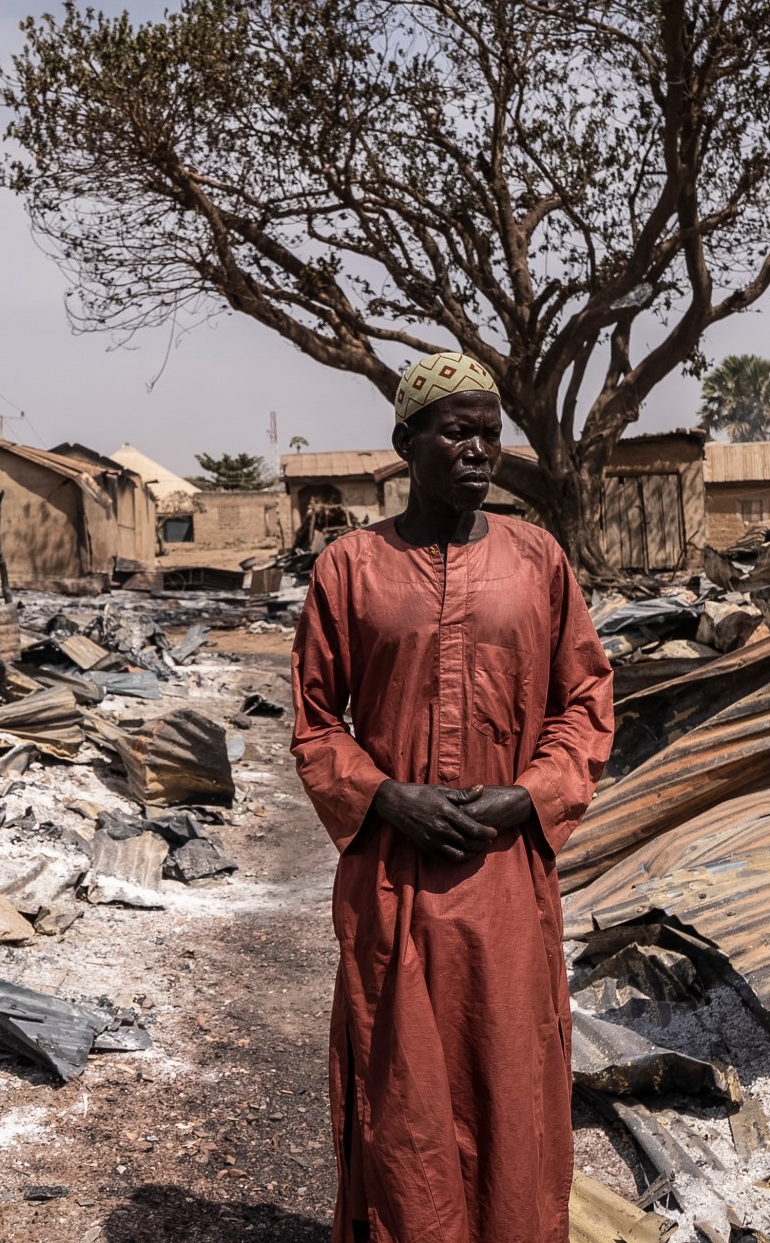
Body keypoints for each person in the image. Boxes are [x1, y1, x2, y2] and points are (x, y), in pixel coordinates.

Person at [289, 351, 615, 1243]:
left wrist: (528, 796)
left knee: (510, 1082)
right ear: (406, 443)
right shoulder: (351, 567)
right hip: (393, 882)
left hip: (504, 884)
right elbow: (315, 723)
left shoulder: (537, 559)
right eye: (456, 432)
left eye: (490, 434)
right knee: (402, 1102)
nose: (479, 450)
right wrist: (386, 796)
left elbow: (585, 702)